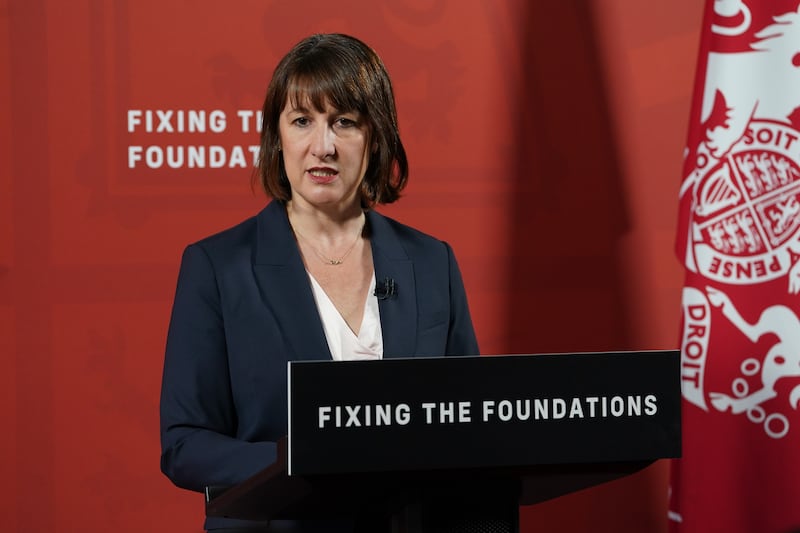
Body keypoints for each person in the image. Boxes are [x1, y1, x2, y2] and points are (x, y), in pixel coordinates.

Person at [159, 33, 479, 532]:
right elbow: (185, 443)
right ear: (277, 136)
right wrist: (305, 461)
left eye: (344, 122)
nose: (322, 146)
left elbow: (470, 422)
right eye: (303, 120)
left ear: (376, 138)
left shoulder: (431, 261)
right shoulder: (218, 267)